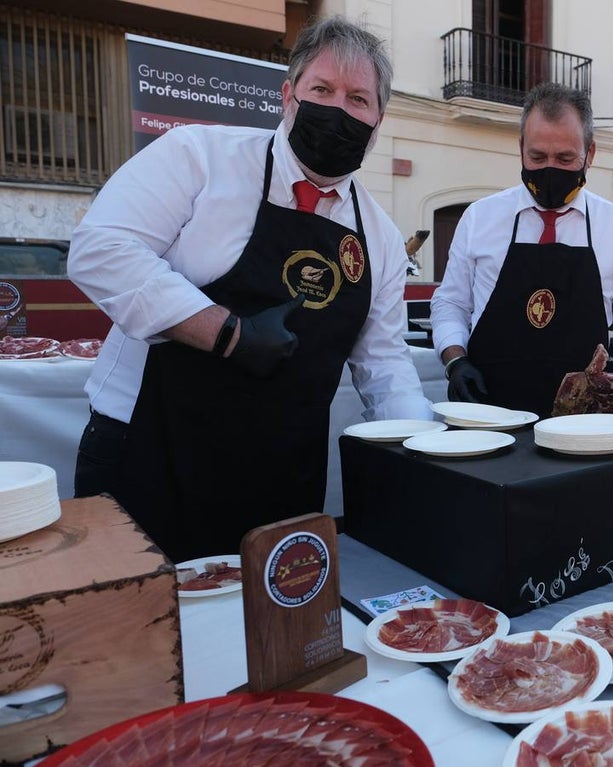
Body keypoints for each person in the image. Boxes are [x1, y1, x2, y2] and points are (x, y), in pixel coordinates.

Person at [67, 16, 432, 563]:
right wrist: (226, 332)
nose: (338, 110)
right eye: (322, 90)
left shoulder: (377, 235)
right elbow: (100, 250)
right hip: (150, 453)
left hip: (281, 477)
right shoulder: (200, 157)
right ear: (288, 96)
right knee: (137, 636)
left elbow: (382, 361)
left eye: (359, 99)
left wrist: (425, 445)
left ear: (377, 122)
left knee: (264, 640)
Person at [430, 82, 613, 418]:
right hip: (487, 410)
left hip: (583, 420)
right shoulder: (480, 217)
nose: (549, 168)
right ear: (521, 148)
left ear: (590, 154)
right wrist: (456, 360)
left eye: (565, 158)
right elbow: (450, 302)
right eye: (537, 156)